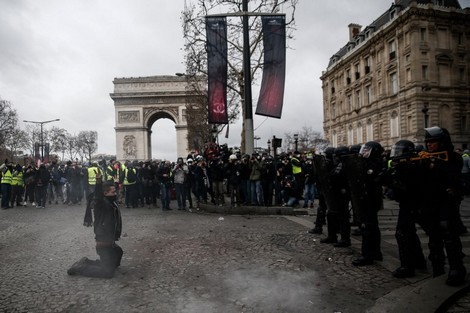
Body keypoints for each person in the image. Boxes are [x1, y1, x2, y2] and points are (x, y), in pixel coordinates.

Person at [421, 126, 466, 286]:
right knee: (433, 234)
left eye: (433, 142)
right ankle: (437, 266)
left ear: (442, 142)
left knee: (448, 230)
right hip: (431, 201)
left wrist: (434, 166)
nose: (429, 145)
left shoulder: (453, 157)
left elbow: (453, 176)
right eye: (428, 142)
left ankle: (456, 268)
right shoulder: (425, 157)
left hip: (447, 200)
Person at [67, 171, 123, 278]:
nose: (115, 194)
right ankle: (81, 268)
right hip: (103, 242)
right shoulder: (100, 204)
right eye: (113, 192)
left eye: (115, 192)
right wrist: (98, 182)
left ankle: (87, 262)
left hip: (110, 241)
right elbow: (98, 196)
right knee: (108, 273)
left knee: (118, 254)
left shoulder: (111, 201)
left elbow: (114, 194)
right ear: (105, 194)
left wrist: (116, 184)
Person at [386, 140, 427, 278]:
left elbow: (409, 186)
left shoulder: (412, 166)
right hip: (409, 203)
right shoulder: (405, 165)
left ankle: (408, 266)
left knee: (403, 233)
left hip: (412, 203)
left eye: (399, 151)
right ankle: (418, 261)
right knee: (409, 232)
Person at [352, 141, 385, 266]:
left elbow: (369, 180)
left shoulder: (374, 164)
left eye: (367, 150)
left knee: (368, 226)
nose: (364, 152)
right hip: (368, 198)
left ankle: (367, 255)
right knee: (372, 226)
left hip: (370, 198)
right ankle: (375, 253)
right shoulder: (368, 162)